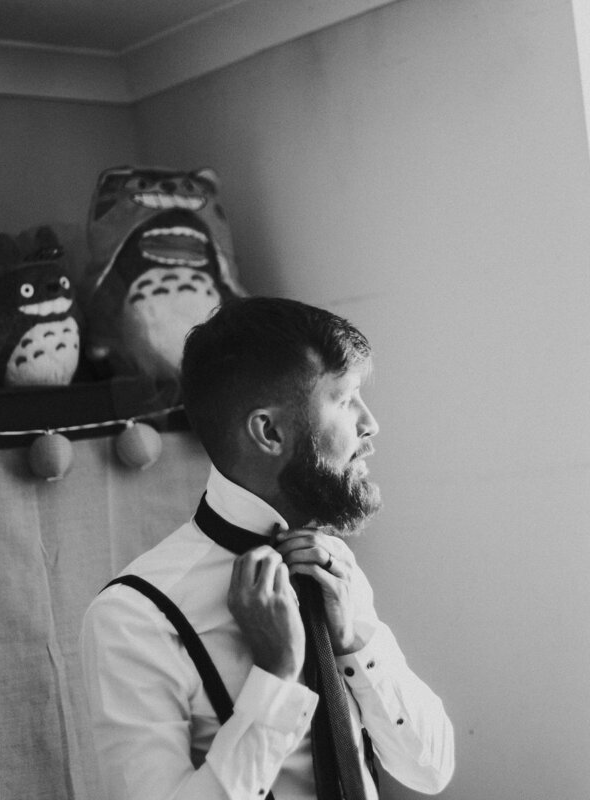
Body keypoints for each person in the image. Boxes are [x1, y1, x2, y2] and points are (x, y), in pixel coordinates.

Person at [80, 296, 455, 800]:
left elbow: (430, 770)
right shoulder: (133, 619)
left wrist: (354, 642)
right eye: (344, 399)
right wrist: (276, 677)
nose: (370, 424)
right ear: (269, 431)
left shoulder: (331, 569)